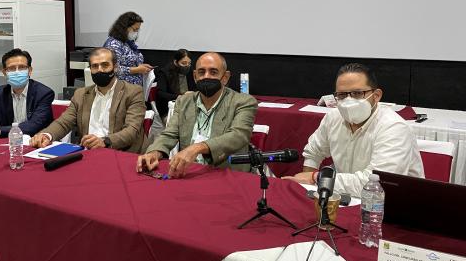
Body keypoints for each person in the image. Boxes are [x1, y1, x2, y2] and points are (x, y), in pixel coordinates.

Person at [282, 63, 424, 197]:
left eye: (357, 93)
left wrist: (316, 178)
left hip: (391, 204)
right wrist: (308, 188)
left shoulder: (394, 128)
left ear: (376, 96)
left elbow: (376, 183)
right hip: (347, 199)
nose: (348, 101)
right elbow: (313, 152)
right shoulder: (333, 117)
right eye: (342, 95)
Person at [136, 52, 257, 178]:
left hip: (227, 175)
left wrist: (198, 148)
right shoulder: (184, 101)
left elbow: (239, 135)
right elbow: (169, 134)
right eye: (201, 72)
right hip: (189, 173)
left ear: (225, 77)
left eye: (213, 72)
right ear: (194, 76)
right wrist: (155, 152)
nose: (206, 76)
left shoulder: (243, 102)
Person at [30, 47, 147, 152]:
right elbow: (64, 122)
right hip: (88, 152)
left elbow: (131, 130)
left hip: (119, 152)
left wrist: (105, 141)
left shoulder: (133, 92)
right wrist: (47, 135)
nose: (100, 70)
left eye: (105, 65)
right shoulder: (80, 94)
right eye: (95, 66)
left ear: (115, 67)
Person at [0, 48, 54, 139]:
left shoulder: (43, 93)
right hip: (8, 143)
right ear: (4, 73)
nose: (17, 72)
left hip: (35, 142)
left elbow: (34, 125)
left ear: (29, 70)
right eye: (12, 68)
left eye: (22, 67)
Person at [103, 11, 153, 86]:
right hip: (121, 88)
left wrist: (141, 67)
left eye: (138, 30)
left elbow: (131, 63)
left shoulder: (127, 43)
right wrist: (137, 69)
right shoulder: (113, 44)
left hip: (134, 88)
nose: (136, 32)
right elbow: (113, 69)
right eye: (135, 29)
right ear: (124, 27)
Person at [154, 49, 196, 120]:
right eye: (183, 63)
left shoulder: (189, 71)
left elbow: (193, 88)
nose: (187, 66)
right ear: (175, 62)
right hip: (169, 109)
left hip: (187, 106)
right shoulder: (164, 73)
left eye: (189, 63)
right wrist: (181, 97)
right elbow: (161, 94)